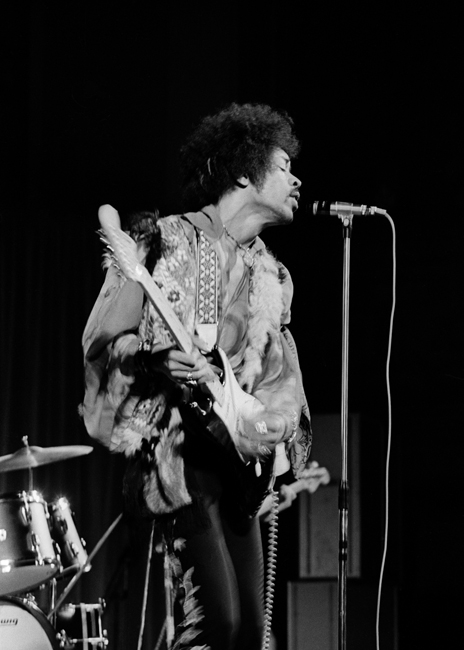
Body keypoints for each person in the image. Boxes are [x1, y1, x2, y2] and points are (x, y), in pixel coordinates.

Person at [81, 103, 312, 650]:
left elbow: (281, 379)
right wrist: (152, 358)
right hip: (180, 458)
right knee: (218, 624)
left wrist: (269, 424)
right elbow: (104, 339)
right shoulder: (172, 240)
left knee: (253, 632)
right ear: (242, 172)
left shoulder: (272, 277)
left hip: (235, 467)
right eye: (283, 166)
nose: (297, 179)